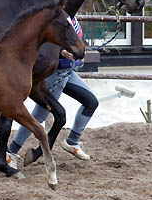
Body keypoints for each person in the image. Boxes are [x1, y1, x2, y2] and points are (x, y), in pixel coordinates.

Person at [7, 17, 99, 169]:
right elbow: (46, 41)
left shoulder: (73, 20)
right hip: (53, 73)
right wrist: (62, 52)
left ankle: (72, 142)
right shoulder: (55, 19)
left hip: (68, 73)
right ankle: (11, 151)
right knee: (39, 114)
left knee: (91, 102)